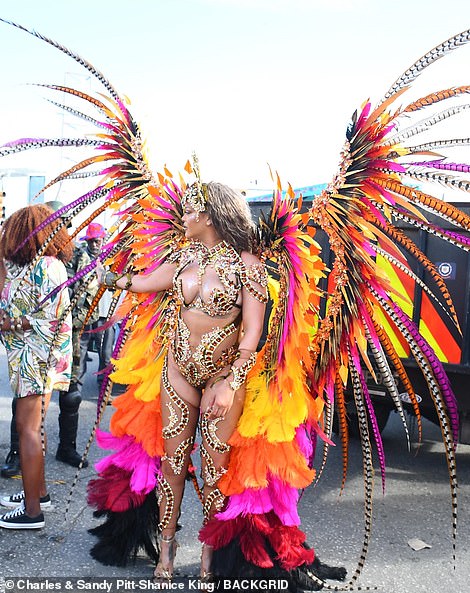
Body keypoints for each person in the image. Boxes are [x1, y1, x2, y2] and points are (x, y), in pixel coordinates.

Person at [92, 180, 268, 579]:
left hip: (222, 377)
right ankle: (167, 545)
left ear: (208, 215)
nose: (184, 217)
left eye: (190, 211)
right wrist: (106, 277)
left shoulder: (248, 266)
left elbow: (252, 335)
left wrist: (229, 384)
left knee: (214, 469)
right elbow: (143, 283)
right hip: (178, 371)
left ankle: (210, 551)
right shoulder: (182, 256)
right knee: (172, 463)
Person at [0, 204, 73, 529]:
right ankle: (39, 492)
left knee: (27, 428)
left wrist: (9, 324)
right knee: (37, 427)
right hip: (41, 358)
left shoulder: (45, 266)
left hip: (36, 358)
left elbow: (44, 320)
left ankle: (32, 512)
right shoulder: (45, 264)